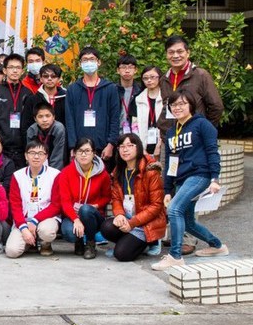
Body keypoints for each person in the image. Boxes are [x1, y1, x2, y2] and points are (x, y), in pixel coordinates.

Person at [152, 90, 227, 270]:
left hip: (200, 175)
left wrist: (215, 178)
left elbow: (212, 152)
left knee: (175, 210)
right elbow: (170, 163)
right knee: (188, 221)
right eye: (174, 105)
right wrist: (168, 190)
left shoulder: (202, 125)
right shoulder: (171, 132)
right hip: (181, 179)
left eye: (182, 104)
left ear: (190, 106)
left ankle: (175, 256)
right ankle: (217, 246)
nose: (177, 108)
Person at [100, 134, 165, 262]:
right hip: (129, 218)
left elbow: (156, 206)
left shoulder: (150, 170)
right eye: (122, 146)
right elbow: (116, 198)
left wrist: (132, 223)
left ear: (138, 148)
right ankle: (130, 242)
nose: (125, 149)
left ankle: (151, 241)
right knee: (106, 227)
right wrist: (119, 215)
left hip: (146, 222)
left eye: (130, 145)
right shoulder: (119, 170)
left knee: (121, 254)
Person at [5, 141, 62, 258]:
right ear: (26, 156)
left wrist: (35, 220)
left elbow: (56, 205)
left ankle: (45, 243)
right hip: (24, 219)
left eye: (41, 153)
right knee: (12, 251)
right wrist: (23, 228)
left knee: (47, 231)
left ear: (46, 156)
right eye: (32, 153)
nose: (36, 156)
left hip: (46, 218)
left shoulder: (55, 174)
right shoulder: (17, 175)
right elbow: (15, 206)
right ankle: (30, 242)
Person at [57, 137, 111, 259]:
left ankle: (90, 244)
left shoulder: (103, 174)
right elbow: (65, 201)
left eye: (87, 151)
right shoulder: (66, 173)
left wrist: (96, 206)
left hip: (93, 216)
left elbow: (107, 196)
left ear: (94, 153)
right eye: (80, 151)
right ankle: (79, 241)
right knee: (68, 232)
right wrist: (75, 219)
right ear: (74, 153)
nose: (83, 154)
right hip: (72, 215)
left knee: (86, 210)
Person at [65, 47, 120, 165]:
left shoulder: (110, 88)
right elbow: (69, 120)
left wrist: (111, 144)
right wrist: (73, 147)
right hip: (80, 149)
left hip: (103, 148)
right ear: (80, 64)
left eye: (92, 59)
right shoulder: (72, 89)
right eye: (85, 60)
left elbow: (115, 118)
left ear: (99, 62)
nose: (89, 62)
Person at [159, 35, 223, 131]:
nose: (175, 56)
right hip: (170, 137)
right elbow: (166, 107)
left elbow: (216, 107)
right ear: (166, 55)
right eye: (171, 52)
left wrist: (204, 130)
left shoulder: (200, 75)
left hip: (194, 138)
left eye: (180, 51)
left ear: (188, 53)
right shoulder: (164, 79)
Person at [0, 53, 34, 168]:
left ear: (22, 71)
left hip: (22, 148)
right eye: (11, 67)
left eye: (18, 68)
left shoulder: (28, 93)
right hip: (2, 148)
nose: (15, 71)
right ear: (5, 71)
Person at [130, 66, 164, 157]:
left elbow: (169, 124)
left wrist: (161, 144)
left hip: (163, 145)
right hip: (142, 148)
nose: (149, 80)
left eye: (153, 77)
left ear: (160, 77)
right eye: (145, 78)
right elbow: (134, 126)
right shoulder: (138, 99)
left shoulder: (166, 98)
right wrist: (141, 148)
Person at [25, 102, 67, 169]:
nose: (44, 120)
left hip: (54, 167)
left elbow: (58, 157)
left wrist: (51, 175)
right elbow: (31, 154)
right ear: (35, 119)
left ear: (53, 117)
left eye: (48, 116)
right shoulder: (32, 130)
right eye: (40, 116)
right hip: (38, 164)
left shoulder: (59, 129)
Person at [116, 54, 141, 136]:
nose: (127, 70)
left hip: (136, 134)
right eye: (123, 67)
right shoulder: (112, 91)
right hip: (116, 135)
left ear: (136, 70)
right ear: (118, 70)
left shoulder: (141, 91)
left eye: (130, 67)